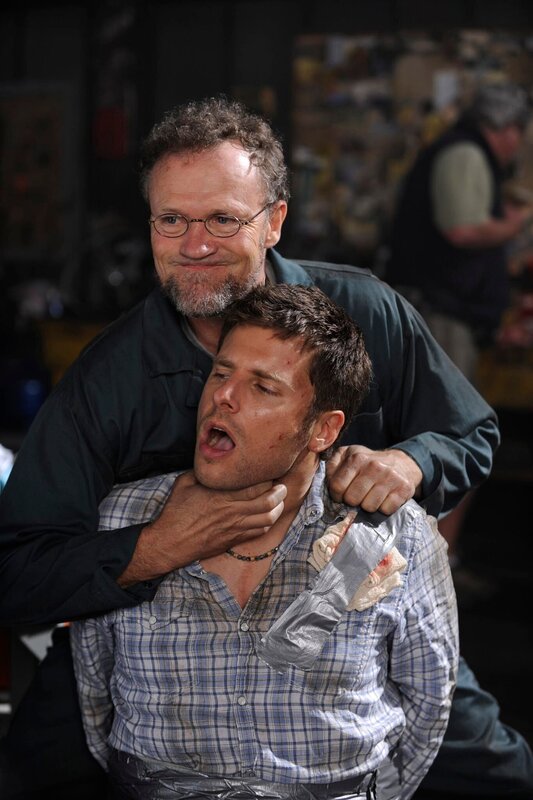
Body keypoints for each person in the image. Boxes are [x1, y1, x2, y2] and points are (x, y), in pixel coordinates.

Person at [0, 96, 531, 798]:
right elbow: (17, 571)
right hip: (163, 645)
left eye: (223, 219)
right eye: (171, 220)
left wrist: (410, 461)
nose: (194, 244)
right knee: (27, 772)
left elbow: (471, 432)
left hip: (350, 617)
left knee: (500, 775)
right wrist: (156, 546)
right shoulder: (110, 380)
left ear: (274, 220)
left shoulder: (365, 313)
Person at [70, 283, 459, 800]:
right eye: (221, 373)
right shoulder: (123, 518)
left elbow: (428, 705)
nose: (223, 397)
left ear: (323, 431)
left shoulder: (395, 535)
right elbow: (94, 692)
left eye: (263, 387)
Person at [385, 81, 533, 584]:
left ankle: (433, 563)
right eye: (519, 135)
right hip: (442, 315)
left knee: (451, 435)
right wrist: (516, 223)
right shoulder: (465, 151)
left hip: (451, 313)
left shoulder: (462, 151)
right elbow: (463, 230)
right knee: (454, 437)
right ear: (507, 130)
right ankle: (431, 568)